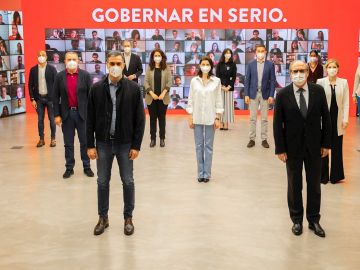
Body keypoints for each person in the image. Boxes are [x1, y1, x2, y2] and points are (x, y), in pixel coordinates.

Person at [87, 51, 145, 236]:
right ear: (106, 64)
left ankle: (128, 218)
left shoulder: (134, 89)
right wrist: (90, 144)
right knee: (102, 182)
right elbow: (90, 118)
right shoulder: (96, 89)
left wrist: (136, 145)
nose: (115, 66)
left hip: (125, 144)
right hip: (103, 144)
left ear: (123, 65)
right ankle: (103, 218)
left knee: (128, 181)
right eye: (112, 63)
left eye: (119, 63)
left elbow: (140, 119)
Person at [273, 60, 331, 238]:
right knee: (294, 185)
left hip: (315, 147)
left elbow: (326, 119)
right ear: (290, 73)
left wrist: (326, 144)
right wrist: (280, 149)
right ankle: (296, 220)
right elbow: (277, 124)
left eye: (301, 71)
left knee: (314, 185)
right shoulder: (282, 94)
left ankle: (313, 220)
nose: (298, 74)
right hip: (292, 148)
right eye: (294, 71)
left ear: (307, 72)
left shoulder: (318, 91)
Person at [53, 51, 94, 179]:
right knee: (68, 143)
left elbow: (91, 97)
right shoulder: (59, 77)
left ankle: (87, 167)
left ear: (78, 61)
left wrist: (92, 115)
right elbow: (55, 97)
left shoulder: (85, 76)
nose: (71, 61)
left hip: (83, 115)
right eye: (69, 59)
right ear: (64, 61)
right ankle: (69, 167)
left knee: (84, 142)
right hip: (67, 114)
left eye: (74, 59)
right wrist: (57, 115)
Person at [186, 56, 223, 183]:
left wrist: (218, 117)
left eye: (207, 64)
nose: (205, 66)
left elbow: (218, 100)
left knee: (208, 147)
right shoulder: (194, 81)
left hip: (210, 118)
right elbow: (190, 99)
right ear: (200, 66)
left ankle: (206, 174)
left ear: (211, 66)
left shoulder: (216, 81)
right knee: (198, 146)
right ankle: (199, 173)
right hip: (196, 117)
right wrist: (190, 116)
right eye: (203, 64)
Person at [317, 59, 349, 184]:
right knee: (323, 147)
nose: (332, 69)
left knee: (337, 148)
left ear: (338, 68)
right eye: (330, 67)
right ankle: (323, 177)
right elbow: (317, 102)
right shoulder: (320, 82)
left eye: (334, 67)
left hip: (338, 119)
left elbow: (346, 102)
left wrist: (345, 119)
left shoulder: (343, 82)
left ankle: (336, 176)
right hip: (324, 119)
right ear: (326, 69)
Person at [244, 44, 275, 148]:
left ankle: (264, 139)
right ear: (256, 52)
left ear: (265, 52)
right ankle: (251, 139)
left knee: (264, 118)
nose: (260, 53)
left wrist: (271, 95)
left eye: (262, 51)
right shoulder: (251, 64)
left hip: (265, 94)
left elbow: (272, 81)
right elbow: (247, 80)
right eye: (259, 51)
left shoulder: (270, 65)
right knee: (252, 118)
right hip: (253, 94)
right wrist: (246, 94)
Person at [29, 51, 58, 147]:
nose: (41, 57)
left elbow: (56, 85)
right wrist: (32, 99)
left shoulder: (52, 69)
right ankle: (41, 139)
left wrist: (56, 99)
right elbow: (30, 85)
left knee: (52, 119)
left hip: (50, 99)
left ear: (46, 57)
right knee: (40, 120)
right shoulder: (33, 70)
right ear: (37, 57)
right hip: (39, 99)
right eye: (39, 55)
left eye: (43, 55)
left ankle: (53, 139)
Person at [144, 49, 172, 148]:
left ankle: (162, 139)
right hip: (151, 98)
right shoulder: (149, 68)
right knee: (152, 119)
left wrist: (163, 93)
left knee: (162, 119)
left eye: (158, 55)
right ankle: (152, 139)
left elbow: (170, 81)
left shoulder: (166, 68)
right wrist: (152, 93)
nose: (157, 57)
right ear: (152, 57)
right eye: (155, 55)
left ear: (162, 56)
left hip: (163, 98)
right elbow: (146, 82)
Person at [216, 48, 237, 130]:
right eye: (226, 53)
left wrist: (229, 86)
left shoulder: (233, 64)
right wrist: (221, 86)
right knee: (220, 105)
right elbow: (217, 76)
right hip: (220, 88)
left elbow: (234, 77)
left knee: (227, 106)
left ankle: (226, 123)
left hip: (229, 88)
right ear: (224, 54)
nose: (228, 54)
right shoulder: (219, 64)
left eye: (229, 53)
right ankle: (221, 122)